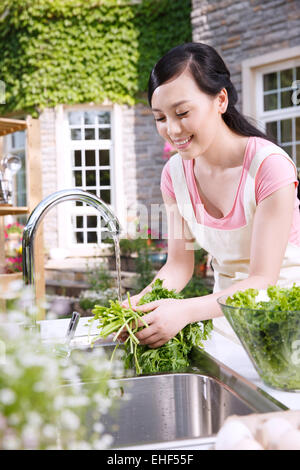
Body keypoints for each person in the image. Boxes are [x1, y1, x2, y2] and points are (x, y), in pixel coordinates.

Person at [122, 42, 300, 347]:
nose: (173, 130)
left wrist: (185, 311)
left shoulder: (269, 167)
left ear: (220, 99)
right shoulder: (174, 175)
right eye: (160, 118)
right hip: (227, 326)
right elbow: (179, 265)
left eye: (182, 112)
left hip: (288, 328)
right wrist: (138, 306)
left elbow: (262, 281)